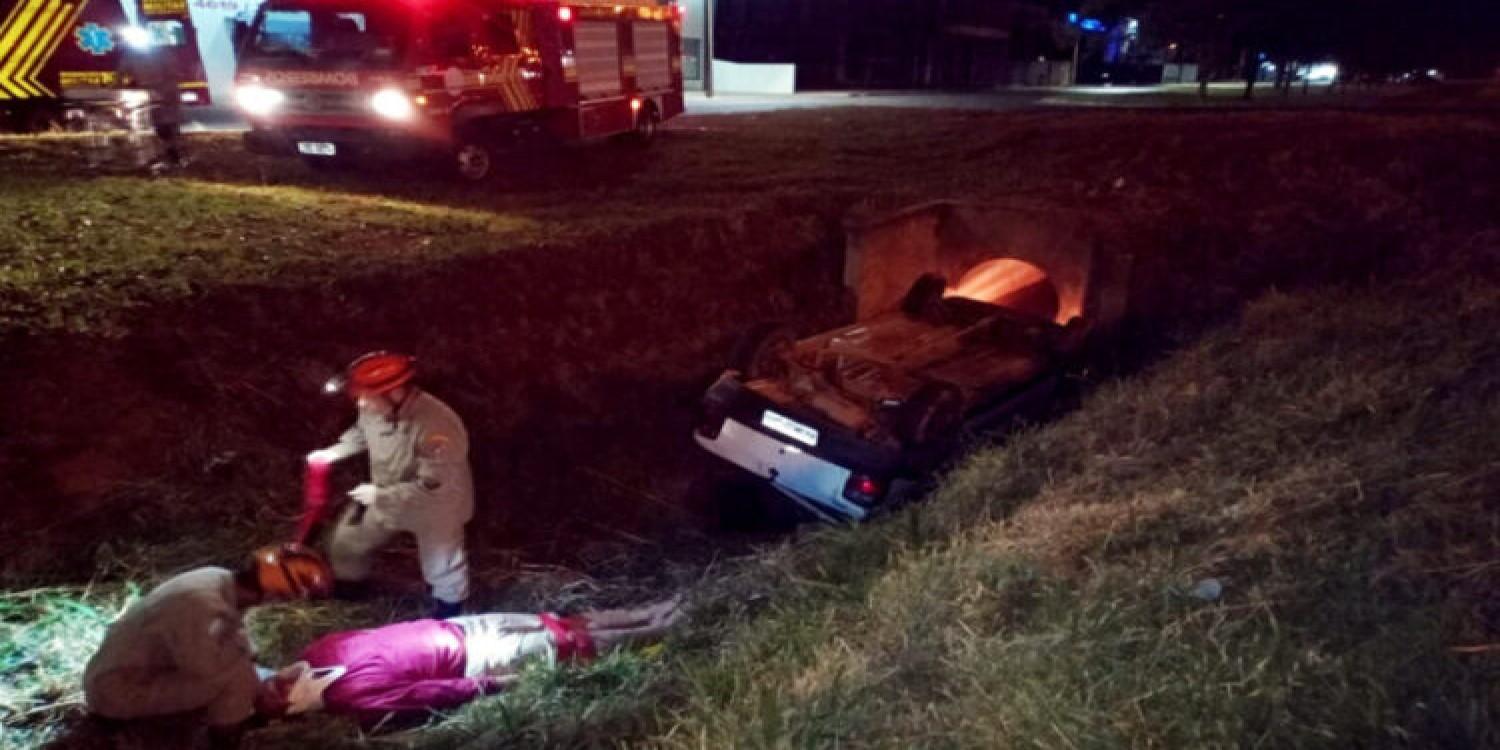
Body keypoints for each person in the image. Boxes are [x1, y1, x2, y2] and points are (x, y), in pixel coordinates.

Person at [254, 597, 683, 727]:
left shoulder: (318, 653)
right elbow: (428, 692)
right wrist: (497, 684)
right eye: (275, 693)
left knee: (553, 625)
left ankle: (652, 612)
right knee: (568, 643)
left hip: (460, 630)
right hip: (475, 656)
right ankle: (656, 627)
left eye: (269, 682)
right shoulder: (353, 698)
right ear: (290, 707)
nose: (277, 683)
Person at [83, 544, 332, 737]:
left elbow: (229, 638)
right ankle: (228, 737)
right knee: (234, 679)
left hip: (137, 669)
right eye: (285, 598)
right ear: (274, 594)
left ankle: (257, 694)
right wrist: (256, 688)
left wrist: (253, 667)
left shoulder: (218, 578)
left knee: (241, 667)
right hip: (118, 691)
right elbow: (205, 668)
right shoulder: (201, 605)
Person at [310, 351, 474, 618]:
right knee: (348, 543)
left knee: (443, 565)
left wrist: (378, 495)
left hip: (437, 505)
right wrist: (333, 452)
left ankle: (449, 620)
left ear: (394, 392)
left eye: (365, 397)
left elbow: (435, 487)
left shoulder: (439, 426)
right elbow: (361, 434)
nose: (361, 405)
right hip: (386, 495)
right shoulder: (376, 407)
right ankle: (349, 599)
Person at [116, 27, 184, 169]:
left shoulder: (161, 53)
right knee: (158, 127)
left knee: (169, 126)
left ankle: (174, 156)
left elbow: (173, 72)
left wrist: (164, 91)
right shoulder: (130, 55)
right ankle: (166, 155)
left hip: (166, 94)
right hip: (149, 96)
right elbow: (121, 73)